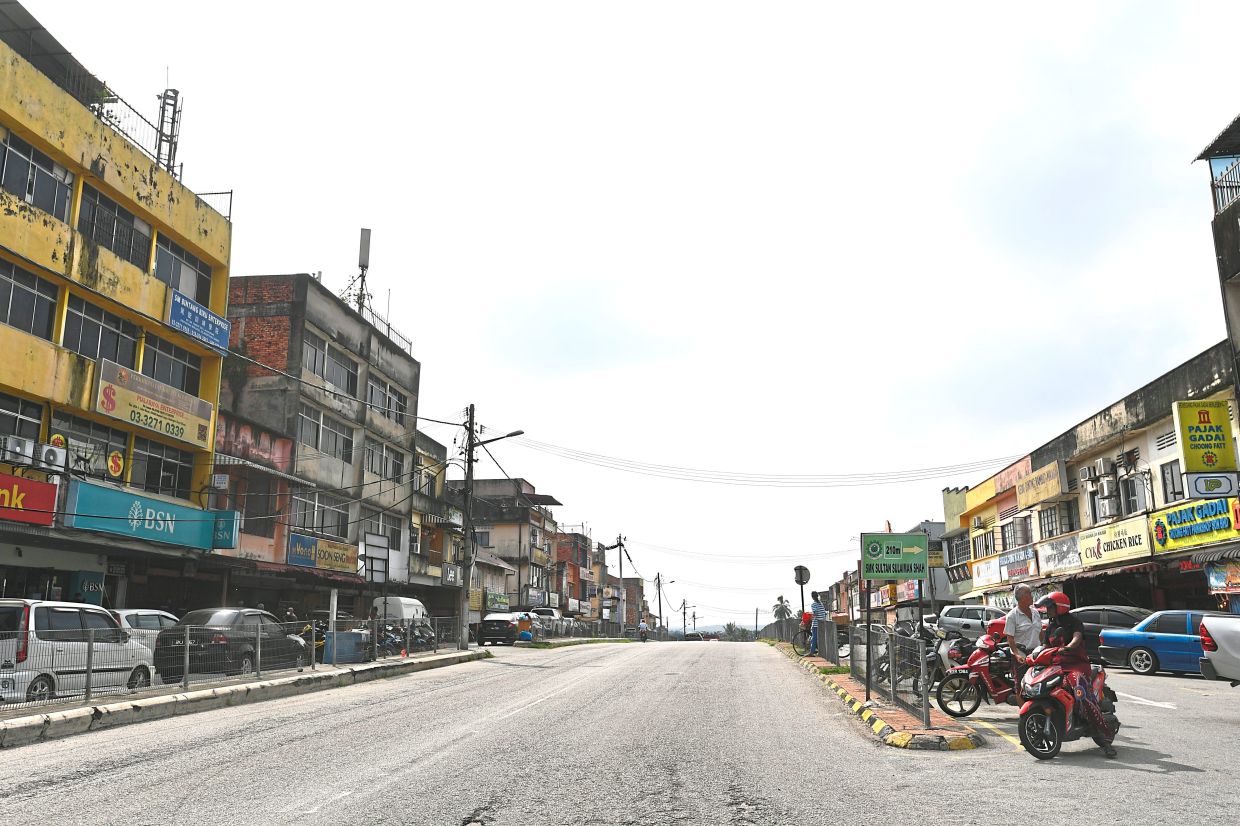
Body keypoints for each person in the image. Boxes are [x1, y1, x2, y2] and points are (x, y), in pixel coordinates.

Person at [1036, 591, 1117, 758]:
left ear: (1059, 607)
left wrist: (1069, 646)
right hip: (1057, 666)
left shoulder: (1074, 622)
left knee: (1080, 693)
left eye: (1050, 607)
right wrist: (1035, 654)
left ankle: (1104, 739)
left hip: (1076, 665)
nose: (1047, 610)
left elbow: (1076, 638)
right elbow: (1044, 646)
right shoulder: (1051, 626)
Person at [1003, 584, 1041, 675]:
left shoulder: (1035, 613)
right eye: (1029, 593)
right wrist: (1017, 654)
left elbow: (1040, 632)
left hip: (1037, 654)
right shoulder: (1012, 616)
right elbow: (1010, 638)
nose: (1032, 596)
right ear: (1022, 598)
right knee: (1022, 681)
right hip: (1022, 657)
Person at [809, 592, 828, 656]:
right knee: (820, 638)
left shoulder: (813, 604)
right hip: (822, 623)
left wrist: (811, 616)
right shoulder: (821, 603)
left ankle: (811, 652)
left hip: (816, 624)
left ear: (812, 597)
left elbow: (815, 613)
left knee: (814, 638)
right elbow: (824, 613)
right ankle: (821, 652)